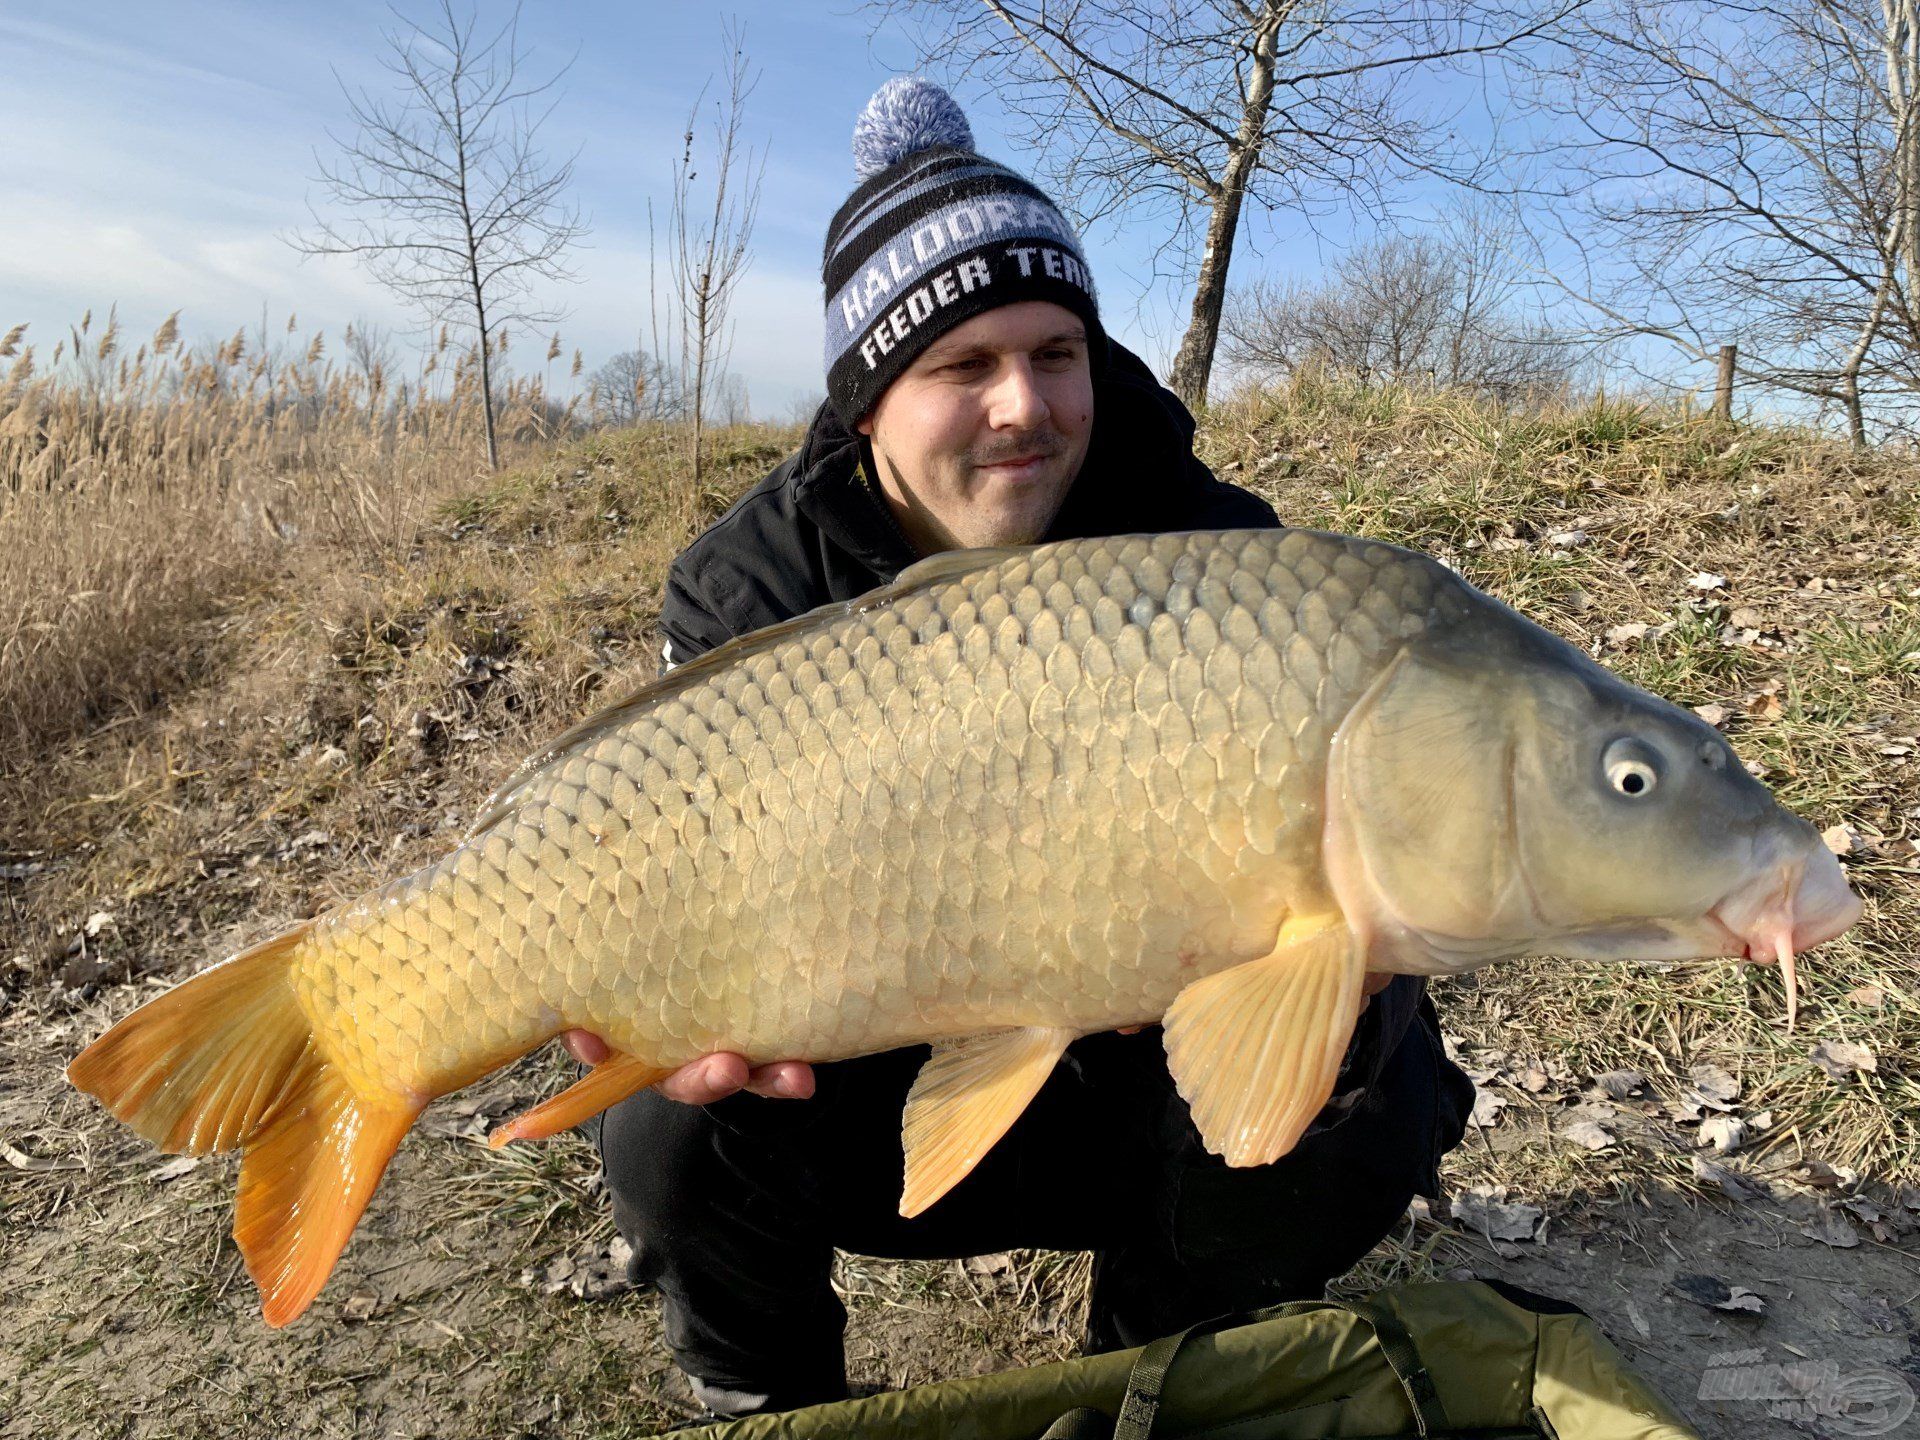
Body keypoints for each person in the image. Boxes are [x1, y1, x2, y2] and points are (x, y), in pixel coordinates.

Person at [565, 78, 1474, 1417]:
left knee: (1367, 1053)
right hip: (860, 1082)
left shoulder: (1215, 545)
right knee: (673, 1118)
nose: (1024, 406)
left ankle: (1156, 1369)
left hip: (1144, 1081)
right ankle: (767, 1402)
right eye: (961, 367)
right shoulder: (746, 584)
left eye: (1057, 354)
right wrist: (673, 992)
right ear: (869, 399)